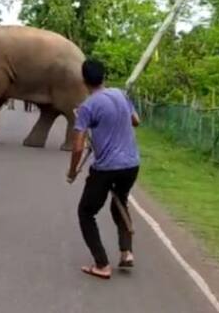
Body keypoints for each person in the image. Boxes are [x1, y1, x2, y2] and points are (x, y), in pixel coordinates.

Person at [66, 58, 141, 280]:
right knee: (120, 202)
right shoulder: (120, 95)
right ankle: (126, 252)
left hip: (107, 168)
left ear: (84, 80)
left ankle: (102, 264)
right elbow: (136, 121)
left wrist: (72, 171)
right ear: (104, 77)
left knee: (86, 212)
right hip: (131, 164)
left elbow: (77, 146)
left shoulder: (87, 107)